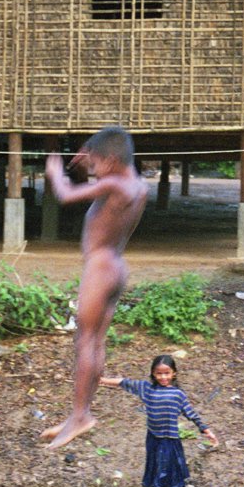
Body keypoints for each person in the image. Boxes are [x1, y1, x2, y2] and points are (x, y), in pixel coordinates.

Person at [40, 126, 148, 449]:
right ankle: (81, 412)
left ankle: (79, 417)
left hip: (100, 268)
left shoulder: (114, 183)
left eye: (96, 163)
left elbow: (66, 195)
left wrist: (54, 171)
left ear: (112, 161)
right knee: (95, 340)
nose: (92, 169)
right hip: (116, 265)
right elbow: (109, 151)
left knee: (85, 340)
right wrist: (91, 151)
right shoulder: (135, 183)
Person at [99, 355, 218, 487]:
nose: (163, 377)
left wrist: (206, 430)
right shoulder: (146, 389)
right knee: (157, 479)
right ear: (153, 374)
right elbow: (124, 382)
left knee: (165, 479)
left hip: (169, 441)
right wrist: (101, 380)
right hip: (153, 440)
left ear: (174, 373)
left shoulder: (177, 394)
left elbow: (191, 414)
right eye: (159, 374)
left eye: (167, 373)